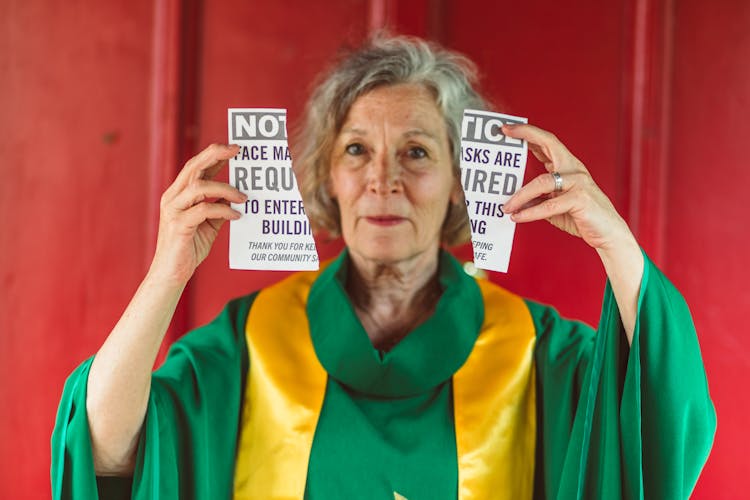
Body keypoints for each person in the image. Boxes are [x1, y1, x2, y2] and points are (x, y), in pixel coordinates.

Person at [52, 35, 716, 499]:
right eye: (357, 150)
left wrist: (615, 244)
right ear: (326, 178)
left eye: (418, 153)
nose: (382, 180)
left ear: (461, 181)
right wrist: (167, 273)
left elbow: (660, 434)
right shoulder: (252, 338)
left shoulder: (535, 349)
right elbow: (106, 451)